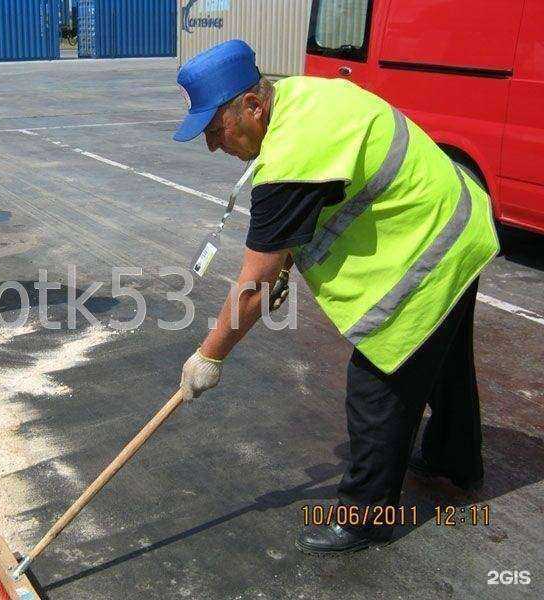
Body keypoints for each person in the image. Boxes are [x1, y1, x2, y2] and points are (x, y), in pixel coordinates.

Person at [173, 40, 499, 555]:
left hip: (430, 249)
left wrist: (209, 355)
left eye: (216, 130)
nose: (214, 146)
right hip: (461, 222)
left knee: (376, 390)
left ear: (254, 107)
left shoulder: (292, 154)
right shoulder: (301, 99)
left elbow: (252, 285)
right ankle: (453, 463)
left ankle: (366, 516)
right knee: (445, 362)